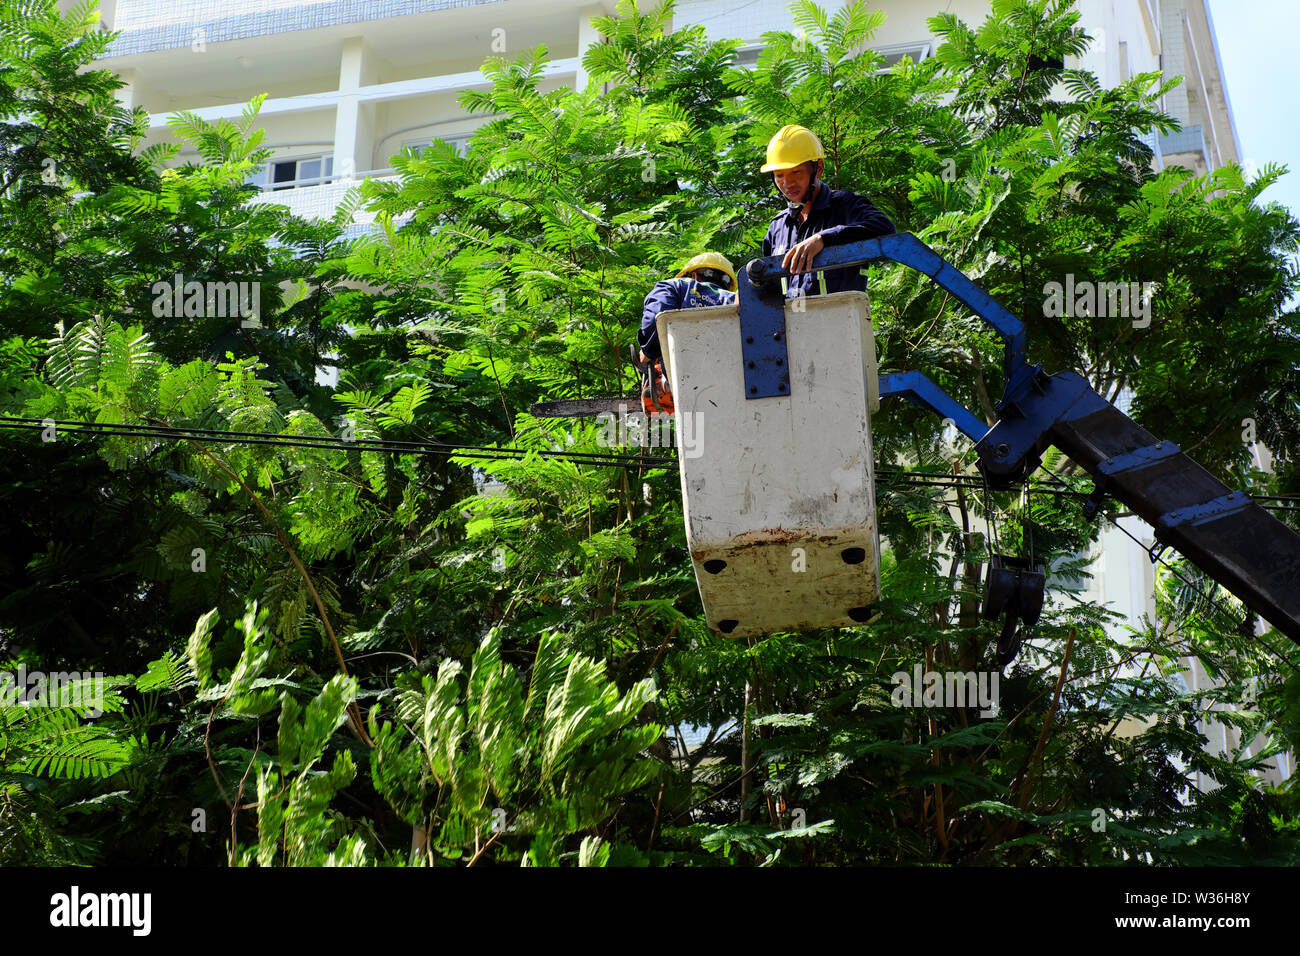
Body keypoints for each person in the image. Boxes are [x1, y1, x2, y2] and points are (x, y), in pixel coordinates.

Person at [760, 125, 895, 298]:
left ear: (819, 168)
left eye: (796, 172)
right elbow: (768, 287)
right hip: (790, 324)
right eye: (779, 175)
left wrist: (824, 238)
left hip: (843, 320)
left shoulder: (845, 206)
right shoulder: (777, 227)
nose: (787, 183)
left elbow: (884, 228)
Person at [635, 252, 737, 413]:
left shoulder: (675, 286)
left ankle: (666, 384)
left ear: (693, 275)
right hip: (733, 389)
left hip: (686, 380)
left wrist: (648, 351)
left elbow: (656, 318)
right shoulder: (738, 299)